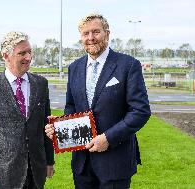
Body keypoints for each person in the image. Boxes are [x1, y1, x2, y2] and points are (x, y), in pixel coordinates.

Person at [45, 13, 151, 189]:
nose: (91, 38)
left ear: (107, 34)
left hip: (116, 161)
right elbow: (72, 106)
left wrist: (108, 138)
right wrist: (60, 129)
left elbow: (140, 111)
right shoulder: (74, 68)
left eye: (96, 32)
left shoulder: (128, 65)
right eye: (85, 34)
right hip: (82, 164)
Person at [0, 31, 54, 189]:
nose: (28, 57)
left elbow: (47, 126)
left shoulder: (41, 84)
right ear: (5, 55)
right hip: (3, 174)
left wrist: (49, 160)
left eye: (30, 52)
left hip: (36, 171)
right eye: (22, 53)